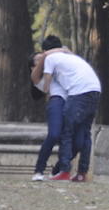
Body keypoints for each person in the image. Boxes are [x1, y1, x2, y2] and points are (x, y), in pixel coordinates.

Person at [31, 35, 101, 182]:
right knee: (59, 134)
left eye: (42, 57)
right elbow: (39, 82)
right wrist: (45, 56)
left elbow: (72, 61)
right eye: (36, 61)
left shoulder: (59, 63)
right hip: (64, 100)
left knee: (79, 138)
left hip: (76, 96)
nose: (41, 60)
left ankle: (70, 171)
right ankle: (45, 169)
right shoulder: (45, 70)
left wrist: (59, 52)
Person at [28, 52, 67, 181]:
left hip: (72, 102)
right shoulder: (37, 78)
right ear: (33, 67)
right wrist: (47, 54)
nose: (44, 61)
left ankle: (57, 170)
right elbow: (45, 58)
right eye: (37, 61)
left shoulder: (57, 71)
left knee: (75, 142)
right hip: (56, 102)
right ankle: (39, 170)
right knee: (54, 135)